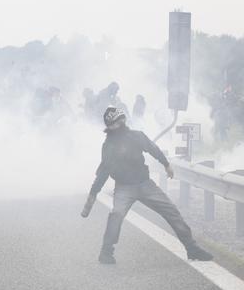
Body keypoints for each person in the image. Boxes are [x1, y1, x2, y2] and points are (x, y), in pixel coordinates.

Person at [81, 106, 213, 264]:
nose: (119, 124)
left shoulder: (136, 136)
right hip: (123, 188)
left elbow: (152, 148)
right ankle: (106, 252)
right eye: (115, 122)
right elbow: (103, 172)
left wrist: (166, 164)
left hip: (145, 184)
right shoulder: (108, 146)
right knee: (116, 216)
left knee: (171, 211)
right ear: (109, 126)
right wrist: (93, 194)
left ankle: (192, 248)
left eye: (120, 120)